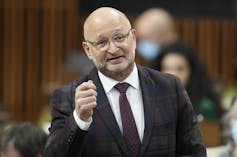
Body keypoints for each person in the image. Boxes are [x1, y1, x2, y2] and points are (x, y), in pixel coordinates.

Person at [44, 7, 206, 157]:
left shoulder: (170, 87)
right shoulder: (69, 96)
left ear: (133, 38)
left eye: (119, 37)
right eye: (101, 42)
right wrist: (79, 120)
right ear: (88, 50)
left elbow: (193, 151)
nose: (113, 49)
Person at [151, 41, 222, 120]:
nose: (172, 74)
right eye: (167, 68)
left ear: (192, 72)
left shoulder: (205, 107)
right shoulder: (150, 105)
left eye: (180, 69)